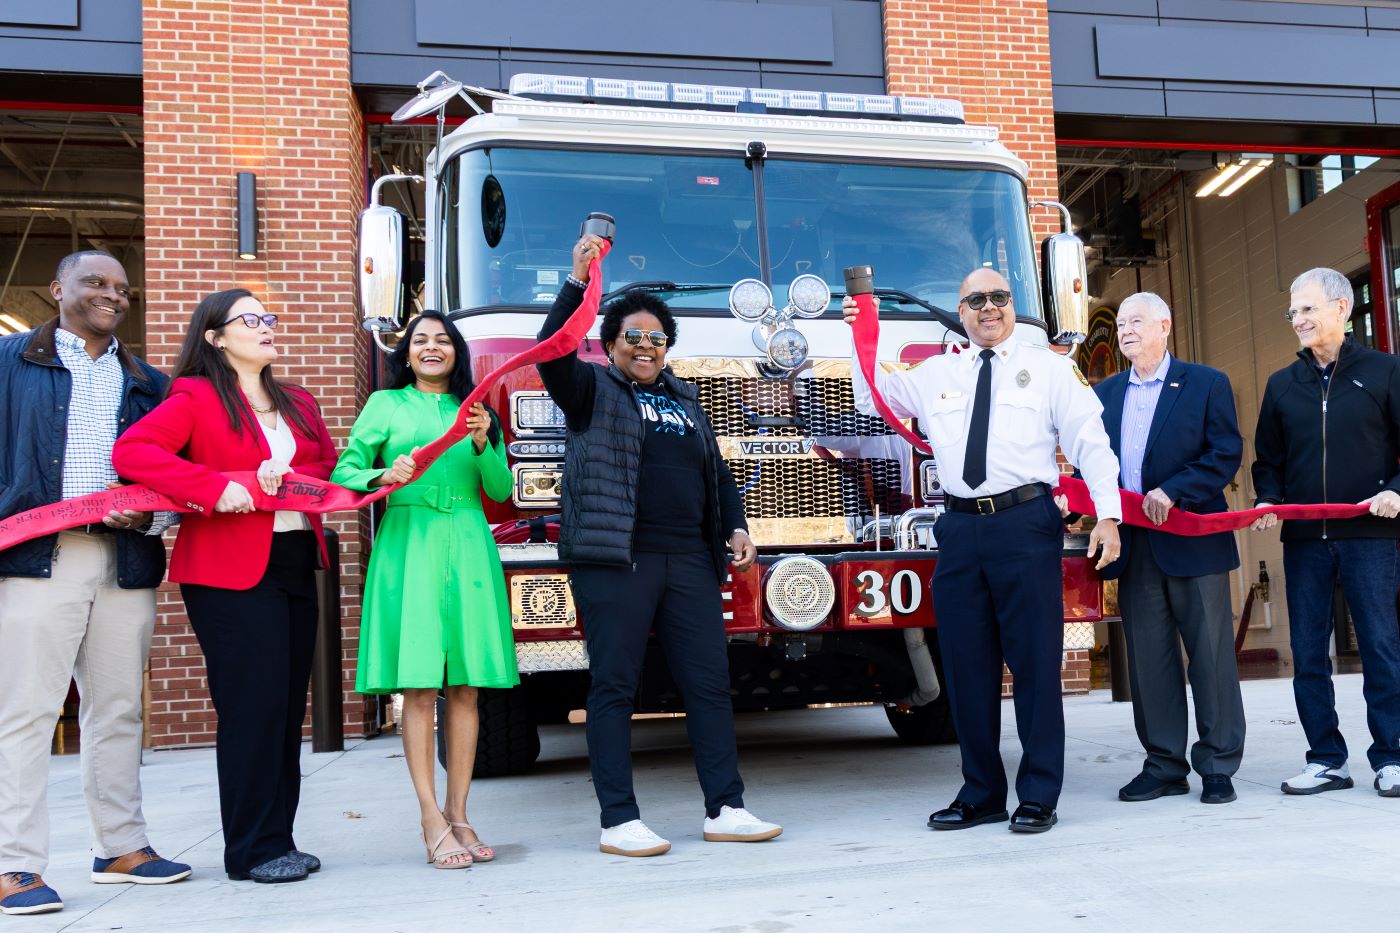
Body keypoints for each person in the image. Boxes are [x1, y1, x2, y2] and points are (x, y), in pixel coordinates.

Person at [845, 269, 1122, 833]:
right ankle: (981, 793)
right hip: (960, 531)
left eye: (998, 298)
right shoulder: (936, 372)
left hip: (1024, 524)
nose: (988, 307)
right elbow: (873, 397)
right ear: (962, 310)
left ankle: (1039, 792)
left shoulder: (1048, 368)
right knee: (967, 670)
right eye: (976, 299)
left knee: (1036, 667)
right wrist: (860, 337)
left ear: (1012, 306)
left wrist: (1109, 514)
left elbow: (1091, 442)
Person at [538, 232, 780, 857]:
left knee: (707, 683)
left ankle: (726, 808)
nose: (645, 347)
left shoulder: (684, 399)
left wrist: (735, 524)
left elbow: (716, 471)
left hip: (688, 561)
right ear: (610, 343)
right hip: (617, 557)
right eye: (633, 338)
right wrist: (576, 281)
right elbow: (551, 350)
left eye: (656, 339)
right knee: (615, 686)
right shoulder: (591, 389)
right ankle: (618, 819)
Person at [111, 288, 338, 882]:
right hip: (228, 570)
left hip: (292, 557)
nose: (266, 327)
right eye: (250, 320)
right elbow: (134, 452)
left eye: (269, 318)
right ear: (215, 338)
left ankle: (278, 839)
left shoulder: (296, 401)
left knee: (287, 708)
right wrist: (213, 487)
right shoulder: (194, 396)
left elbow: (326, 465)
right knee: (252, 708)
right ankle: (251, 851)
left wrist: (285, 476)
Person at [0, 251, 190, 916]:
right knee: (26, 710)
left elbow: (176, 480)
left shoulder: (149, 382)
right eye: (95, 283)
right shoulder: (9, 362)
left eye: (120, 287)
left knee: (118, 710)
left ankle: (122, 846)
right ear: (58, 289)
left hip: (125, 561)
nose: (113, 294)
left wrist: (151, 513)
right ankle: (13, 864)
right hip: (35, 559)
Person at [331, 311, 517, 869]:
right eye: (420, 341)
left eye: (443, 340)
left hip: (468, 540)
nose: (432, 348)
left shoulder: (477, 412)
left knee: (465, 686)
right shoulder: (385, 405)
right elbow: (345, 472)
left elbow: (501, 489)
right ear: (406, 353)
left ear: (457, 352)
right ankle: (429, 817)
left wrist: (485, 441)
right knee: (417, 687)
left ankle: (460, 815)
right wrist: (381, 477)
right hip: (409, 541)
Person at [1251, 267, 1400, 799]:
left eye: (1308, 309)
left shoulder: (1385, 372)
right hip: (1305, 540)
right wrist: (1267, 499)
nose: (1298, 320)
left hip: (1371, 536)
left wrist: (1395, 490)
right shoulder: (1282, 385)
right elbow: (1267, 460)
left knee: (1381, 644)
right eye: (1293, 311)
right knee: (1309, 650)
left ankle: (1392, 757)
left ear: (1342, 308)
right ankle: (1325, 760)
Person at [1093, 292, 1246, 805]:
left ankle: (1218, 764)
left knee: (1210, 659)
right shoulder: (1105, 393)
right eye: (1120, 324)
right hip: (1135, 548)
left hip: (1194, 542)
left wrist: (1175, 488)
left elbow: (1225, 453)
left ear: (1165, 325)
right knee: (1150, 663)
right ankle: (1163, 765)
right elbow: (1096, 466)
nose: (1126, 330)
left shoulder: (1206, 383)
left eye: (1137, 321)